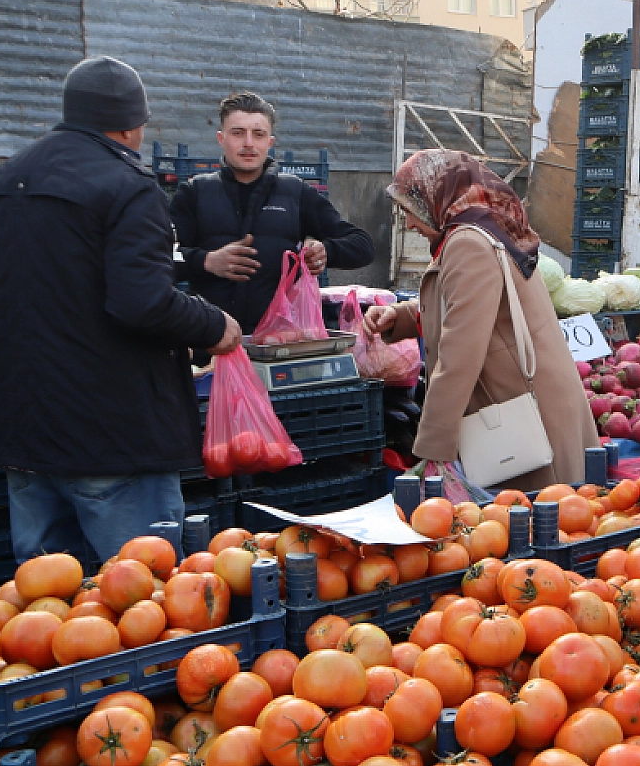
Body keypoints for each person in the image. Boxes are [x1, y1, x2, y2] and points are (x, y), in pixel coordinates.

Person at [0, 57, 241, 564]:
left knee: (47, 607)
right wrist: (212, 325)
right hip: (109, 434)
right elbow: (142, 301)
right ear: (132, 125)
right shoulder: (127, 186)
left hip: (20, 428)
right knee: (141, 602)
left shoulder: (5, 180)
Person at [361, 149, 597, 489]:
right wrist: (399, 317)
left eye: (410, 210)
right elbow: (470, 308)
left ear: (435, 197)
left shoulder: (468, 243)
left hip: (521, 416)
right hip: (526, 403)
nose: (410, 223)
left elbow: (461, 353)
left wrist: (432, 447)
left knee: (539, 522)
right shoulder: (481, 227)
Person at [171, 92, 376, 332]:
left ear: (270, 141)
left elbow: (363, 246)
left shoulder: (295, 193)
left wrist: (325, 252)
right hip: (209, 341)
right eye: (238, 133)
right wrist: (206, 261)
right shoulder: (195, 193)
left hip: (277, 344)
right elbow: (158, 258)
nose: (248, 143)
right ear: (221, 138)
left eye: (258, 134)